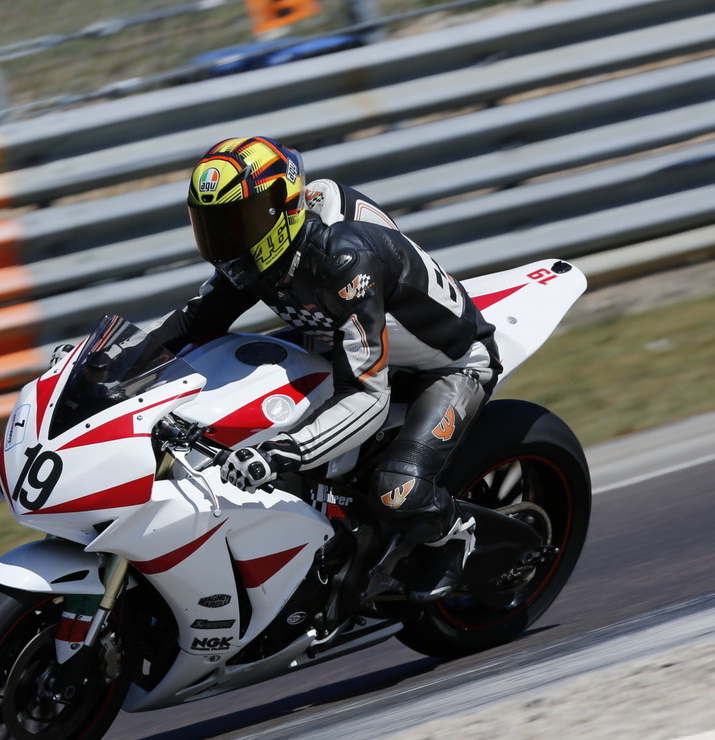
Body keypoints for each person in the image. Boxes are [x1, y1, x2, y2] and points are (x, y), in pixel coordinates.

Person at [135, 136, 501, 601]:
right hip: (345, 343)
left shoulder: (343, 260)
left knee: (397, 492)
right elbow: (191, 324)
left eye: (239, 222)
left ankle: (457, 537)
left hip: (448, 366)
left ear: (282, 210)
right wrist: (111, 368)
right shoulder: (258, 256)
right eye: (215, 226)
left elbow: (369, 395)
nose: (227, 241)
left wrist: (283, 452)